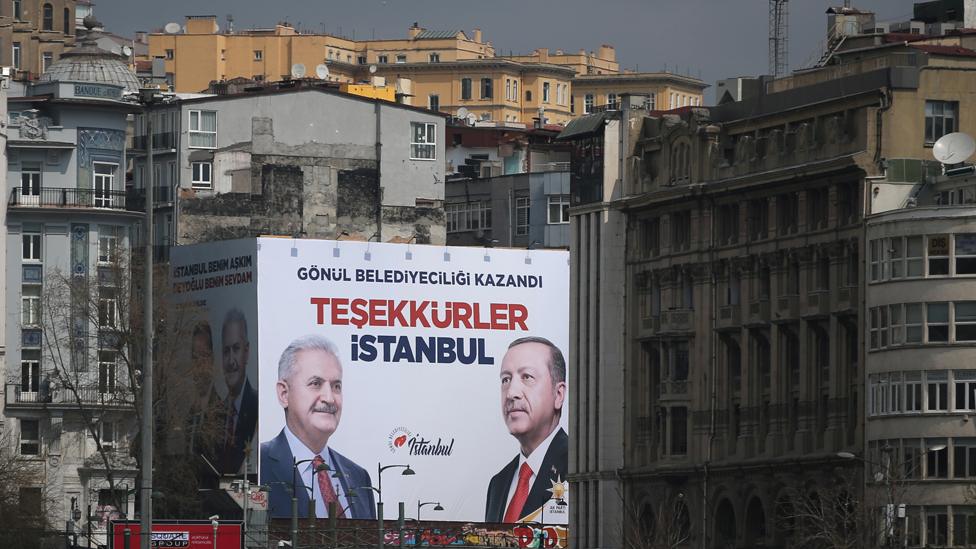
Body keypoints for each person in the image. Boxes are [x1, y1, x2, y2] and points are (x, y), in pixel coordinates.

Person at [260, 334, 375, 519]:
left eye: (336, 386)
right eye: (315, 384)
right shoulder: (258, 466)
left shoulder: (359, 477)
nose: (329, 398)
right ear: (284, 394)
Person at [485, 336, 568, 523]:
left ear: (559, 394)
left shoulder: (581, 471)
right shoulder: (498, 483)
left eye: (527, 377)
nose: (511, 392)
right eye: (506, 379)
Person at [214, 308, 258, 475]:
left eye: (236, 349)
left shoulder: (258, 406)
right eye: (226, 351)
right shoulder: (217, 413)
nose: (231, 361)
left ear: (246, 352)